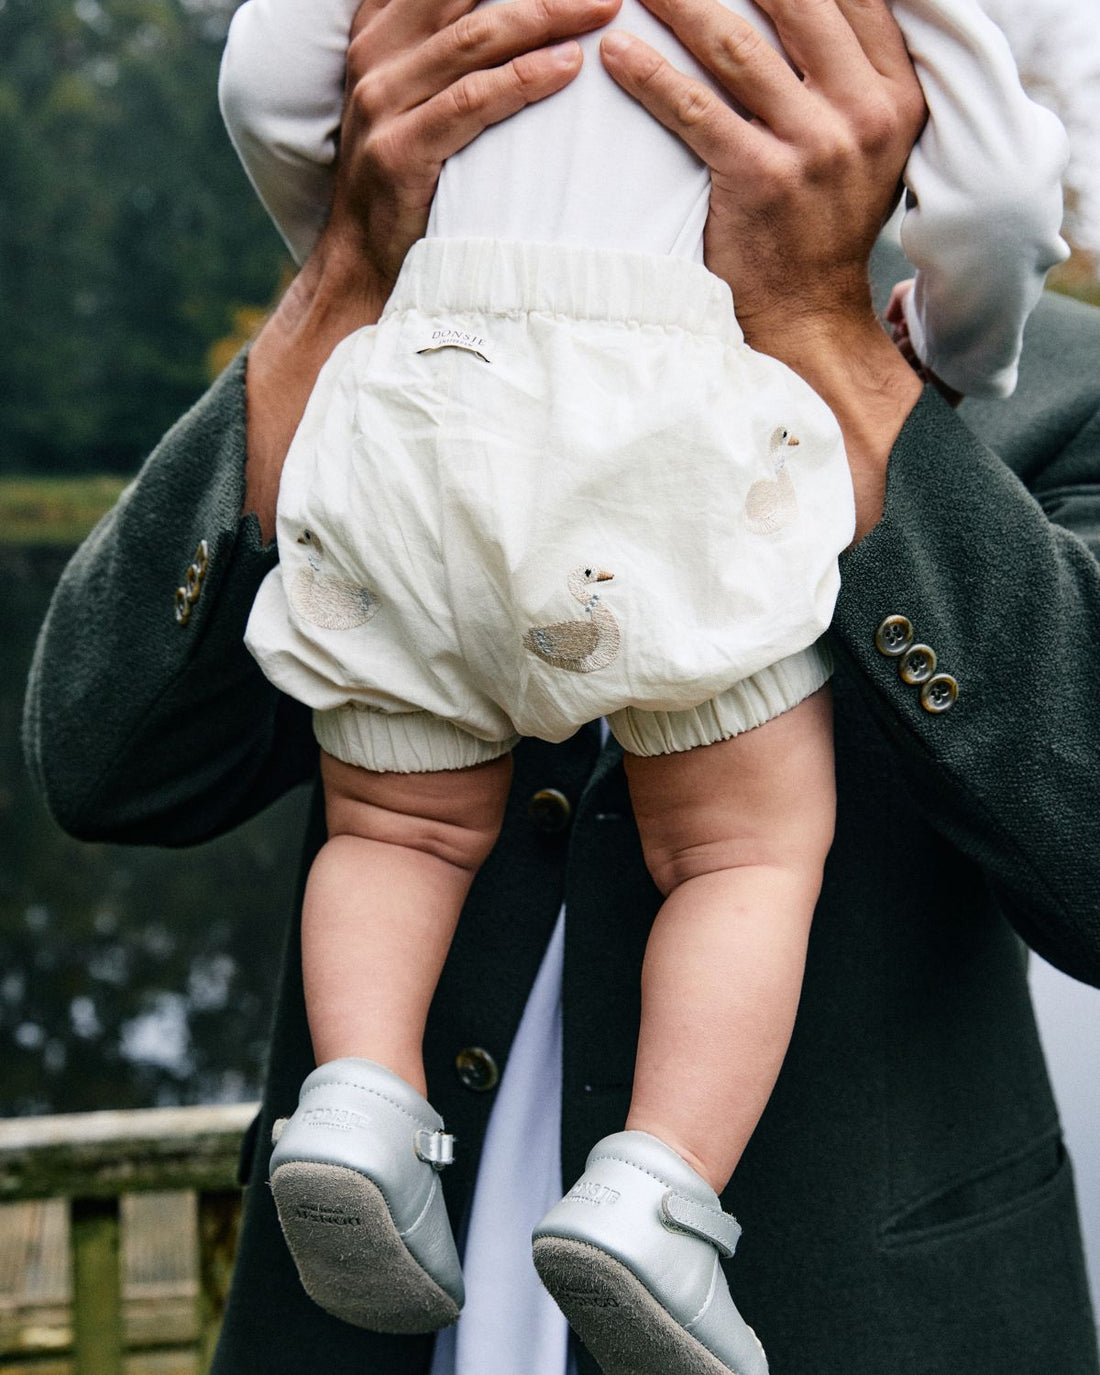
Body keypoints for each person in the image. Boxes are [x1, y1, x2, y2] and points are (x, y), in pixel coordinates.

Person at [21, 0, 1100, 1370]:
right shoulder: (366, 344)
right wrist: (350, 272)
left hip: (852, 1326)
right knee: (743, 852)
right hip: (366, 1340)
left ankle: (381, 1113)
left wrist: (831, 342)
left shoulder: (1070, 396)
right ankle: (640, 1188)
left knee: (396, 828)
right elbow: (104, 761)